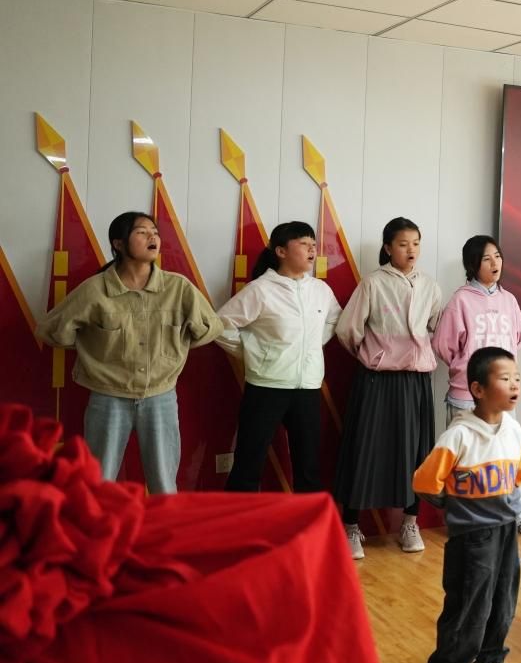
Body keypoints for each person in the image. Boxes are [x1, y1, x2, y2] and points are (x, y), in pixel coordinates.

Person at [36, 211, 222, 494]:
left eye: (155, 232)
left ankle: (164, 524)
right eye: (142, 232)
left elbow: (211, 327)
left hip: (160, 396)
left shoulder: (178, 287)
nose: (152, 237)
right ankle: (98, 523)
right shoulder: (96, 290)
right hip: (107, 398)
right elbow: (51, 330)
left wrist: (175, 348)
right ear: (119, 244)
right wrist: (91, 348)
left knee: (164, 484)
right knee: (99, 481)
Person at [413, 347, 521, 663]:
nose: (514, 385)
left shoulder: (513, 429)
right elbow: (424, 482)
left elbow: (517, 477)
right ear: (478, 389)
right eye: (504, 379)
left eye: (516, 378)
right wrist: (458, 507)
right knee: (467, 609)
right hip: (472, 538)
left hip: (506, 531)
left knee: (502, 602)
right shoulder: (459, 435)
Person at [332, 217, 444, 560]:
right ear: (387, 248)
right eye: (403, 244)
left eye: (416, 243)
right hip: (377, 380)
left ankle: (410, 523)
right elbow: (347, 330)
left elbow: (434, 328)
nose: (411, 250)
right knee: (365, 449)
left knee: (416, 452)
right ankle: (351, 527)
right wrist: (375, 356)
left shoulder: (430, 286)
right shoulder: (373, 283)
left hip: (416, 381)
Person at [216, 220, 341, 493]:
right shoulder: (260, 289)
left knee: (308, 466)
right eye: (304, 244)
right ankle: (239, 517)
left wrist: (310, 344)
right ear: (281, 251)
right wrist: (254, 353)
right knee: (249, 462)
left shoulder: (320, 290)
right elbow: (221, 326)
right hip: (266, 385)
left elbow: (335, 320)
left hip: (308, 387)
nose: (312, 250)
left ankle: (307, 519)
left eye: (313, 244)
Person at [431, 234, 521, 536]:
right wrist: (466, 368)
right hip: (467, 395)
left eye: (498, 256)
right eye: (486, 258)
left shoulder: (509, 300)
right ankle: (463, 518)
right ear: (472, 264)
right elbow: (443, 345)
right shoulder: (460, 300)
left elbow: (517, 340)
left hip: (503, 395)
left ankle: (517, 513)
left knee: (508, 455)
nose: (494, 263)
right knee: (465, 460)